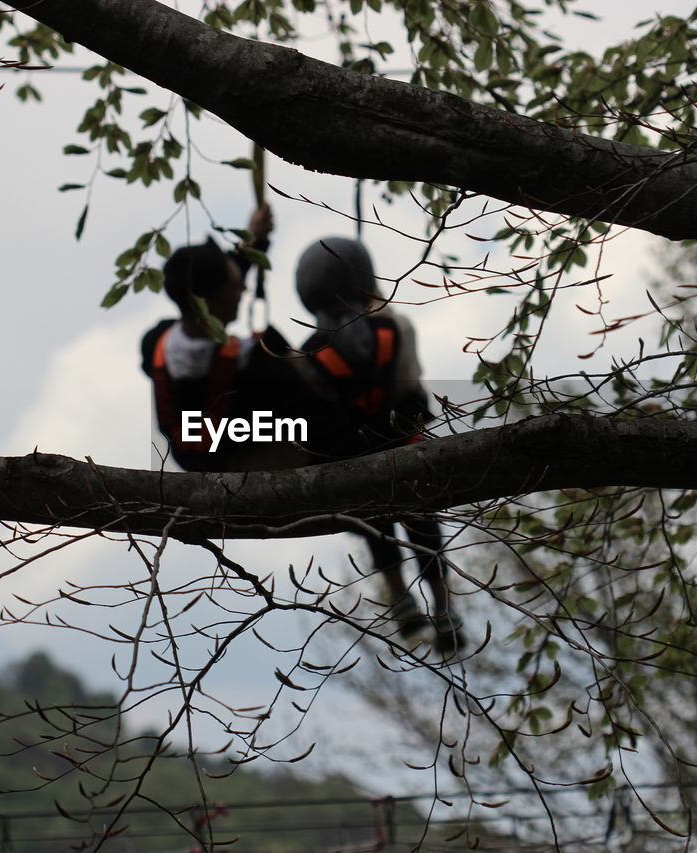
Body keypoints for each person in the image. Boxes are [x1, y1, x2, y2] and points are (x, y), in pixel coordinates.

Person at [295, 236, 465, 654]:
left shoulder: (308, 354)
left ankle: (400, 598)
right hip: (404, 447)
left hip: (353, 459)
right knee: (423, 524)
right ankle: (443, 606)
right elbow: (410, 387)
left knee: (374, 523)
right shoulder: (395, 328)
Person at [141, 205, 313, 472]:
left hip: (200, 461)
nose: (243, 288)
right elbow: (309, 411)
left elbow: (213, 285)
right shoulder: (256, 369)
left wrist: (251, 245)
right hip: (250, 466)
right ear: (211, 300)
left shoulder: (156, 343)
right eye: (234, 287)